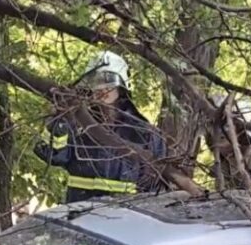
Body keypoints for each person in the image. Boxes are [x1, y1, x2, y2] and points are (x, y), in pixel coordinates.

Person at [35, 51, 169, 203]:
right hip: (78, 212)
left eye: (108, 80)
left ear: (122, 85)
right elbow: (55, 156)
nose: (102, 88)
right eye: (96, 82)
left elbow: (155, 187)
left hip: (127, 217)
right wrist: (59, 121)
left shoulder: (145, 133)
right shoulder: (77, 125)